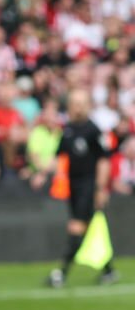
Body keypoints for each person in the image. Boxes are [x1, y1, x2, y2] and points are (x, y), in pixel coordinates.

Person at [46, 90, 115, 287]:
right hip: (73, 186)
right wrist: (40, 171)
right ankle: (109, 271)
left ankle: (61, 272)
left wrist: (101, 188)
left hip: (89, 185)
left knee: (77, 226)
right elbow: (59, 156)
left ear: (88, 105)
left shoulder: (93, 129)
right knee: (88, 228)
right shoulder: (67, 130)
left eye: (82, 103)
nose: (78, 107)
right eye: (75, 103)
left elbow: (104, 160)